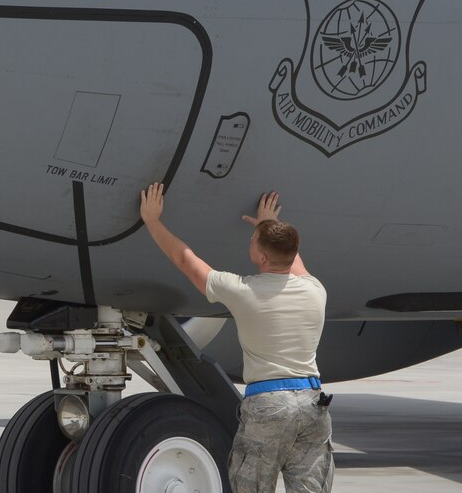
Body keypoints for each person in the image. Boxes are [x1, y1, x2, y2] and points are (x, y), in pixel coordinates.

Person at [139, 183, 331, 492]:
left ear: (262, 258)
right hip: (312, 404)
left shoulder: (243, 291)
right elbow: (293, 260)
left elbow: (185, 260)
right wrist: (268, 224)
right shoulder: (315, 290)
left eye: (254, 239)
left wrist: (153, 221)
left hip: (269, 405)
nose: (251, 240)